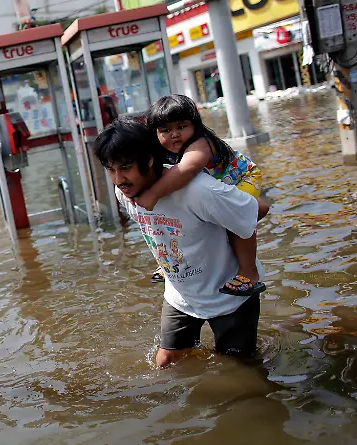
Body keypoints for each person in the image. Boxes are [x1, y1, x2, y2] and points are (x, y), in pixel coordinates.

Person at [93, 118, 270, 367]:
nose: (119, 179)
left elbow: (256, 210)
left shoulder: (198, 191)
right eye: (111, 170)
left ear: (150, 160)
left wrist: (231, 229)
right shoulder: (124, 192)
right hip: (180, 296)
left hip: (228, 296)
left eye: (126, 167)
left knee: (237, 371)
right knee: (166, 362)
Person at [135, 95, 267, 296]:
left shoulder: (202, 143)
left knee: (235, 216)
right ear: (155, 133)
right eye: (165, 130)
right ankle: (172, 264)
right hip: (213, 187)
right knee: (177, 220)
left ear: (195, 125)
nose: (175, 135)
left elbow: (187, 170)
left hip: (241, 178)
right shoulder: (162, 150)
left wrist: (152, 194)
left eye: (181, 127)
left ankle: (249, 273)